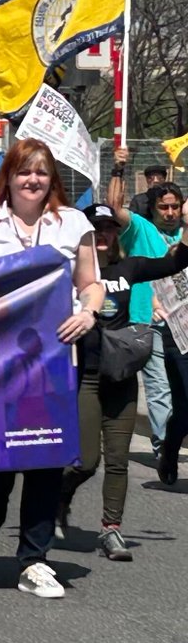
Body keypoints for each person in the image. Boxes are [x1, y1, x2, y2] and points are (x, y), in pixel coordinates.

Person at [0, 138, 104, 599]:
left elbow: (90, 283)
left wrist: (88, 311)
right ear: (8, 178)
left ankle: (33, 559)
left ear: (52, 178)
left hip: (55, 356)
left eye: (41, 172)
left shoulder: (73, 223)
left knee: (46, 456)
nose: (33, 180)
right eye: (23, 172)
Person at [58, 203, 188, 561]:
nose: (102, 234)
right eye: (95, 228)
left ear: (117, 233)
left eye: (109, 228)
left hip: (122, 376)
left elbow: (176, 263)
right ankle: (60, 497)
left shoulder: (129, 267)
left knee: (117, 460)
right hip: (84, 377)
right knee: (86, 461)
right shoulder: (67, 271)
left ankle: (111, 530)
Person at [108, 147, 180, 476]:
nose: (169, 212)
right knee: (159, 385)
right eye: (163, 207)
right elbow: (114, 208)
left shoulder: (186, 235)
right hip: (146, 321)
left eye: (174, 207)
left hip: (184, 325)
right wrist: (118, 170)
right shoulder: (141, 230)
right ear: (153, 210)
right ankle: (164, 445)